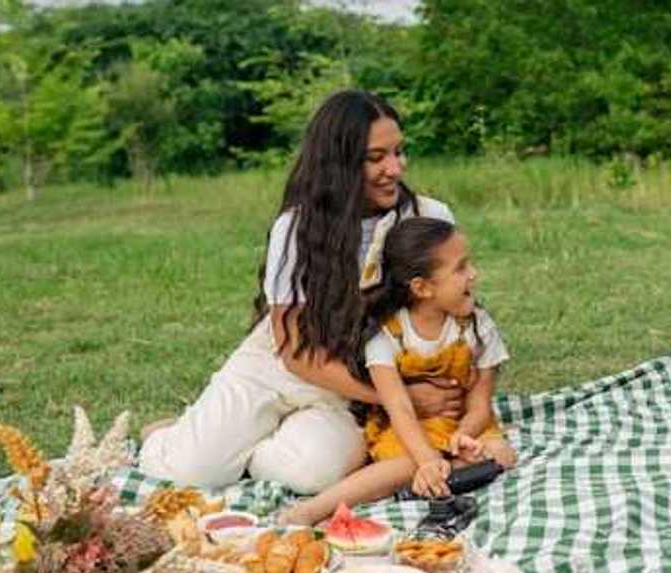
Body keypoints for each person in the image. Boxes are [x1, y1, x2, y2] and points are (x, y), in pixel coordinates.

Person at [138, 90, 465, 494]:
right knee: (188, 473)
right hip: (278, 366)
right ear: (339, 164)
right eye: (375, 157)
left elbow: (453, 317)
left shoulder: (429, 218)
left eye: (399, 152)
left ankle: (240, 440)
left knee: (306, 475)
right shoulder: (295, 229)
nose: (395, 168)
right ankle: (172, 435)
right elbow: (294, 352)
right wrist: (401, 401)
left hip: (352, 392)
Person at [280, 217, 516, 525]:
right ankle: (314, 509)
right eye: (460, 268)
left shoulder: (477, 325)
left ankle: (434, 476)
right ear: (421, 287)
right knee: (406, 464)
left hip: (462, 423)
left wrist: (464, 436)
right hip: (408, 428)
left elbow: (480, 403)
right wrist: (427, 457)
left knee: (501, 455)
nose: (473, 274)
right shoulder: (387, 335)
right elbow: (399, 407)